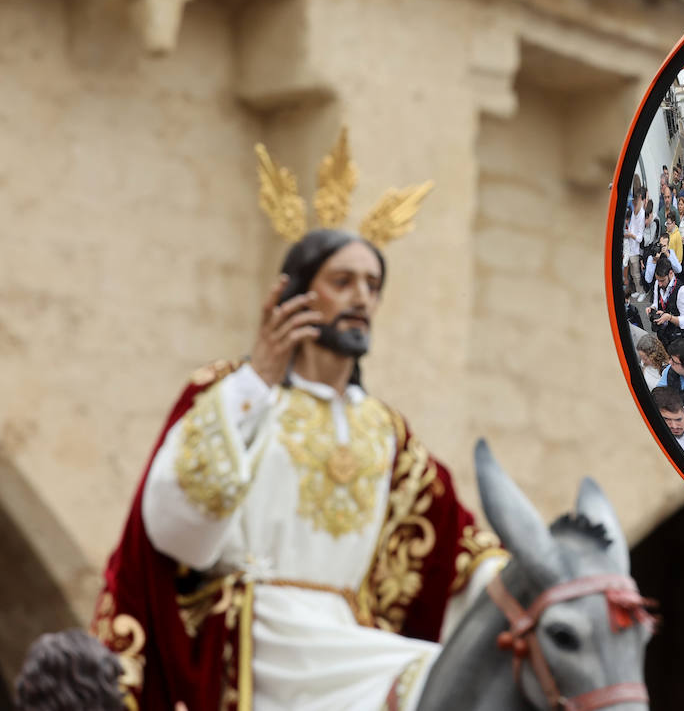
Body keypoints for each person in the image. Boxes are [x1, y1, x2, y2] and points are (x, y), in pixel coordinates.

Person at [101, 229, 506, 710]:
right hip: (260, 635)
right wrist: (258, 381)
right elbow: (176, 526)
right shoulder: (235, 392)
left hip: (345, 633)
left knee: (442, 677)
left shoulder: (387, 432)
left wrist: (545, 577)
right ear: (297, 294)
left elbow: (455, 546)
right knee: (420, 676)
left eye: (372, 285)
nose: (361, 297)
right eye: (343, 281)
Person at [648, 256, 684, 346]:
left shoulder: (683, 291)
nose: (659, 284)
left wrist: (669, 317)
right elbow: (656, 303)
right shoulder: (658, 283)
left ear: (671, 273)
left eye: (662, 280)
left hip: (677, 340)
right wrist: (652, 308)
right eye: (657, 280)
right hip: (662, 335)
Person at [623, 189, 647, 302]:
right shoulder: (634, 212)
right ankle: (637, 290)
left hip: (635, 249)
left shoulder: (641, 214)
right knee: (632, 272)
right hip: (630, 247)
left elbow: (639, 237)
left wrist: (630, 235)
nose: (633, 204)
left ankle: (642, 291)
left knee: (636, 273)